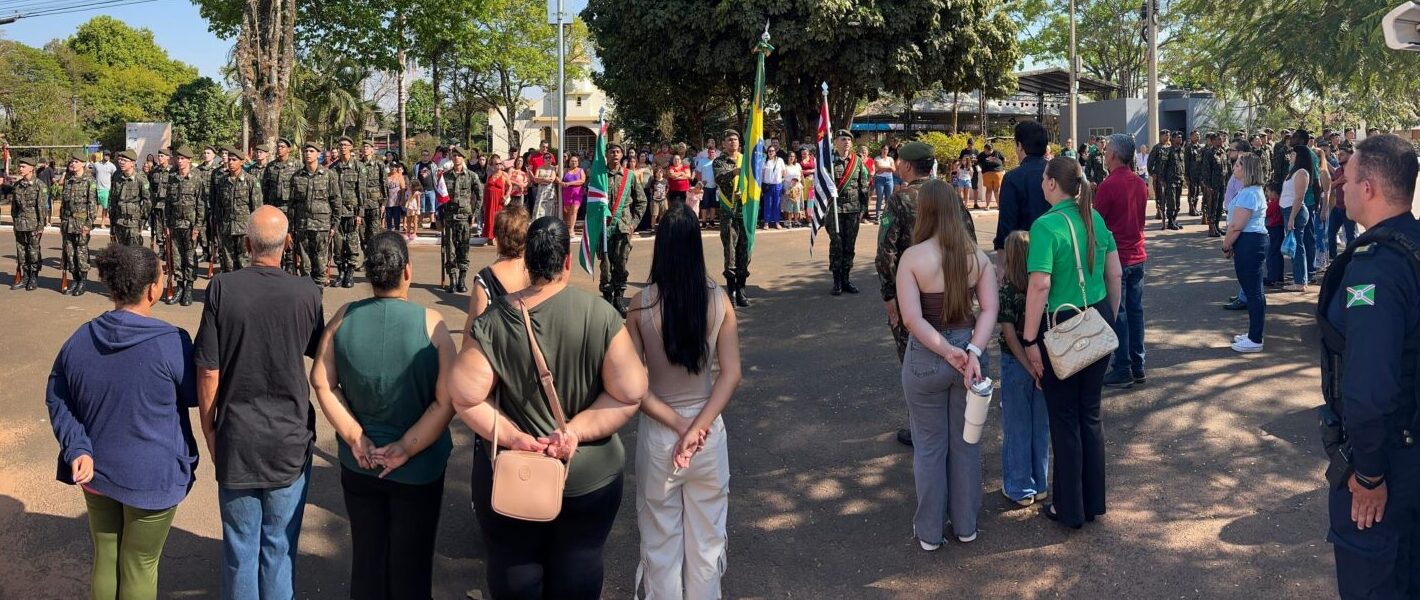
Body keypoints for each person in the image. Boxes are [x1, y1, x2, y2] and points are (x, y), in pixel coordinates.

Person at [448, 216, 648, 599]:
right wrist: (575, 431)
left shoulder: (493, 321)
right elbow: (630, 392)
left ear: (527, 263)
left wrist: (514, 437)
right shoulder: (601, 315)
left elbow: (464, 396)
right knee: (580, 570)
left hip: (514, 474)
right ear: (567, 262)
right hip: (588, 477)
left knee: (514, 572)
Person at [46, 243, 199, 600]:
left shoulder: (80, 339)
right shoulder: (172, 342)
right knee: (140, 563)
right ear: (152, 290)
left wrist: (77, 447)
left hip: (95, 470)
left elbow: (57, 397)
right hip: (153, 478)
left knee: (106, 556)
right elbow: (194, 395)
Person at [309, 231, 456, 600]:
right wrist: (406, 447)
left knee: (367, 559)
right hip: (419, 469)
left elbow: (321, 381)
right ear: (407, 271)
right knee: (412, 567)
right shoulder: (433, 324)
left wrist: (354, 435)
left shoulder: (343, 318)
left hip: (361, 464)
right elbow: (446, 401)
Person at [195, 206, 326, 600]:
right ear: (288, 244)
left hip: (237, 435)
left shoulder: (222, 288)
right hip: (289, 438)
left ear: (246, 244)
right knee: (279, 548)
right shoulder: (307, 292)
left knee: (240, 549)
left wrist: (209, 430)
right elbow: (319, 354)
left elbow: (209, 370)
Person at [1316, 133, 1420, 599]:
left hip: (1391, 461)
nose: (1339, 182)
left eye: (1348, 175)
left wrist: (1370, 474)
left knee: (1375, 580)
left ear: (1370, 188)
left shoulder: (1377, 267)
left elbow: (1369, 385)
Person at [626, 203, 741, 598]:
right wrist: (697, 428)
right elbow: (731, 374)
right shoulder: (719, 300)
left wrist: (679, 426)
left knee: (660, 544)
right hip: (707, 434)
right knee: (707, 545)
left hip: (661, 434)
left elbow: (633, 386)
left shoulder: (640, 304)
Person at [894, 179, 998, 549]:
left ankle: (929, 533)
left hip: (927, 358)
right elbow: (989, 309)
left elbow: (911, 319)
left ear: (925, 212)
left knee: (929, 447)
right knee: (966, 444)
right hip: (970, 359)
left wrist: (945, 351)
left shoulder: (912, 258)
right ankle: (966, 525)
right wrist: (971, 351)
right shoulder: (976, 256)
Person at [1020, 156, 1123, 530]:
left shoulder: (1045, 226)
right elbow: (1115, 273)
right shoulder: (1093, 218)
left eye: (1044, 178)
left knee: (1064, 419)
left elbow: (1040, 285)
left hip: (1062, 323)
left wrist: (1029, 339)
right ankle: (1092, 502)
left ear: (1051, 183)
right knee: (1089, 414)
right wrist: (1109, 317)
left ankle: (1069, 508)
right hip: (1096, 316)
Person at [997, 230, 1049, 506]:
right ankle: (1040, 482)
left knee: (1016, 425)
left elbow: (1009, 335)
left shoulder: (1007, 292)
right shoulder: (1042, 289)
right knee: (1040, 425)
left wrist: (1026, 366)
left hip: (1015, 362)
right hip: (1042, 361)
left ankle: (1019, 486)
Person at [1093, 133, 1149, 390]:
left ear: (1114, 154)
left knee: (1120, 313)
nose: (1105, 156)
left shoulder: (1109, 185)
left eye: (1106, 152)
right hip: (1137, 254)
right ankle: (1138, 364)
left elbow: (1097, 223)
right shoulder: (1139, 183)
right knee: (1135, 312)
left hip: (1117, 258)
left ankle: (1123, 367)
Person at [1222, 154, 1270, 353]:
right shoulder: (1248, 190)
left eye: (1238, 164)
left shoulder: (1250, 193)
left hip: (1250, 242)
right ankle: (1254, 333)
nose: (1235, 167)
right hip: (1249, 241)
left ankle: (1255, 338)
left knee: (1253, 291)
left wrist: (1226, 245)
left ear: (1247, 169)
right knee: (1253, 290)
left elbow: (1236, 225)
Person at [465, 205, 532, 337]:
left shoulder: (486, 279)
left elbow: (473, 333)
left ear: (497, 238)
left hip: (497, 347)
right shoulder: (538, 273)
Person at [601, 144, 649, 314]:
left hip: (623, 227)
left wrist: (633, 224)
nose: (615, 154)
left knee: (621, 264)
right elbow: (591, 202)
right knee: (605, 266)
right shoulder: (600, 177)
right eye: (611, 152)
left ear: (622, 155)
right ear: (606, 155)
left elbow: (642, 201)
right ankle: (607, 298)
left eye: (618, 152)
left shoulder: (629, 176)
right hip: (604, 228)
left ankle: (619, 298)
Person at [994, 121, 1052, 252]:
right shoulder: (1058, 172)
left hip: (1024, 251)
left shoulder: (1012, 178)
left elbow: (1006, 223)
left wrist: (1002, 251)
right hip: (1059, 249)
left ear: (1020, 146)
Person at [826, 129, 870, 296]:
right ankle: (837, 281)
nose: (846, 142)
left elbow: (863, 186)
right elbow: (821, 186)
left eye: (849, 140)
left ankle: (846, 279)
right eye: (843, 139)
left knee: (849, 246)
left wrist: (863, 209)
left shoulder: (857, 162)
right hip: (835, 210)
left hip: (853, 210)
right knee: (836, 245)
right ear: (836, 142)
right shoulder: (829, 161)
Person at [289, 141, 338, 288]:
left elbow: (336, 201)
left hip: (321, 226)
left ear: (318, 154)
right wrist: (290, 228)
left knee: (320, 264)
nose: (308, 154)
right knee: (305, 266)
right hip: (302, 226)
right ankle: (306, 295)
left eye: (311, 151)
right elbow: (292, 204)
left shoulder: (329, 175)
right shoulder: (297, 177)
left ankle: (318, 294)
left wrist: (334, 225)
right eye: (306, 151)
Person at [212, 146, 263, 273]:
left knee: (244, 263)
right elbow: (218, 206)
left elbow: (257, 209)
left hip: (244, 230)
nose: (230, 162)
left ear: (241, 162)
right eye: (229, 159)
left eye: (234, 160)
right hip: (227, 229)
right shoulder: (223, 181)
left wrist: (254, 231)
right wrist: (219, 227)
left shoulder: (251, 181)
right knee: (228, 264)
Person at [441, 146, 483, 293]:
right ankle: (452, 280)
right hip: (449, 217)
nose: (456, 158)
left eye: (459, 156)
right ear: (451, 157)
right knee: (450, 249)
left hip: (464, 217)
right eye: (454, 155)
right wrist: (440, 216)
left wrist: (475, 214)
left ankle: (461, 280)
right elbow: (440, 197)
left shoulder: (472, 176)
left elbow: (480, 196)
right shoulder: (445, 176)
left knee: (464, 250)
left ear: (463, 158)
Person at [6, 156, 49, 291]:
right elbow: (14, 208)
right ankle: (25, 277)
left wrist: (40, 226)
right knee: (21, 251)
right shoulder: (17, 185)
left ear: (31, 168)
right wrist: (15, 223)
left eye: (23, 166)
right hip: (20, 224)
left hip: (33, 225)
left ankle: (33, 277)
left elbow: (42, 208)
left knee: (33, 251)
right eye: (20, 166)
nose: (20, 168)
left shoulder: (39, 185)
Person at [60, 152, 98, 296]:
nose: (73, 164)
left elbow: (92, 203)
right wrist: (62, 221)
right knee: (70, 253)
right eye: (72, 161)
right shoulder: (68, 179)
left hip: (81, 223)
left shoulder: (89, 180)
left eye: (76, 162)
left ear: (83, 163)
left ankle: (82, 281)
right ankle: (75, 279)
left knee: (81, 252)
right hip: (67, 222)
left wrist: (89, 223)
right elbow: (64, 203)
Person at [1282, 144, 1318, 292]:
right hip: (1289, 211)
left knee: (1297, 247)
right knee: (1295, 246)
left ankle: (1300, 282)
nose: (1290, 156)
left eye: (1293, 154)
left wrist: (1291, 218)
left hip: (1295, 212)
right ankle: (1299, 279)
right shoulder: (1294, 171)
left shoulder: (1302, 173)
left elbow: (1299, 198)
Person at [330, 137, 365, 288]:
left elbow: (361, 192)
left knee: (351, 243)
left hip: (352, 211)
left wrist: (360, 213)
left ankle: (350, 273)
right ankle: (341, 273)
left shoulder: (358, 167)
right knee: (338, 245)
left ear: (351, 147)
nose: (342, 147)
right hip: (337, 213)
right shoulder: (333, 168)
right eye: (340, 145)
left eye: (345, 145)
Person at [263, 139, 299, 272]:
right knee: (274, 238)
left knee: (289, 237)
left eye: (282, 147)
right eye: (278, 146)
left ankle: (290, 265)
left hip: (290, 207)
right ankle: (277, 264)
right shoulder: (270, 166)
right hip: (274, 208)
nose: (279, 149)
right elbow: (265, 188)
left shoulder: (297, 165)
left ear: (289, 149)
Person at [108, 150, 150, 247]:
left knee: (134, 251)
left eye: (124, 160)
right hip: (119, 221)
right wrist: (112, 221)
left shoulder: (140, 178)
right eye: (120, 160)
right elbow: (113, 200)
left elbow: (148, 201)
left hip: (134, 223)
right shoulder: (117, 177)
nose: (121, 162)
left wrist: (142, 220)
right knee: (121, 251)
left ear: (132, 163)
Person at [1148, 130, 1186, 230]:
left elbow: (1182, 165)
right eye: (1178, 137)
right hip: (1170, 180)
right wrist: (1156, 176)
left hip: (1179, 179)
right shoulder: (1166, 150)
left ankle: (1173, 220)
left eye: (1181, 137)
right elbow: (1161, 166)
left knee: (1177, 203)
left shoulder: (1181, 150)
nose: (1180, 139)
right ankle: (1169, 222)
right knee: (1171, 202)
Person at [1327, 147, 1357, 260]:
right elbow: (1329, 187)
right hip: (1337, 207)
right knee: (1330, 232)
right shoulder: (1338, 171)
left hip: (1349, 208)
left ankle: (1350, 260)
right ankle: (1333, 258)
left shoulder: (1356, 170)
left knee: (1350, 236)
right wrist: (1338, 181)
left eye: (1342, 154)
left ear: (1350, 155)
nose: (1339, 156)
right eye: (1338, 154)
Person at [1203, 133, 1230, 237]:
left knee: (1219, 207)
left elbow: (1227, 168)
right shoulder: (1209, 153)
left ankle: (1217, 226)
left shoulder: (1223, 152)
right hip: (1213, 185)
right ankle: (1212, 228)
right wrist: (1208, 186)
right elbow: (1206, 170)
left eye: (1221, 139)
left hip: (1222, 184)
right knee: (1212, 207)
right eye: (1218, 139)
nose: (1221, 141)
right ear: (1213, 141)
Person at [760, 145, 786, 229]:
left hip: (778, 185)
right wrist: (761, 185)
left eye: (772, 151)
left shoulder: (780, 160)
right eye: (769, 151)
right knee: (767, 204)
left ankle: (777, 222)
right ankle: (766, 222)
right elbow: (762, 174)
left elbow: (784, 172)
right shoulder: (764, 160)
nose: (771, 152)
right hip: (767, 186)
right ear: (767, 152)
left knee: (777, 204)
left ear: (775, 152)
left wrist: (782, 180)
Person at [484, 155, 509, 242]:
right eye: (496, 164)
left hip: (499, 200)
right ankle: (490, 237)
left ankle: (497, 237)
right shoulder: (490, 175)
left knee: (498, 218)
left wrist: (506, 196)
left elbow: (510, 186)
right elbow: (486, 187)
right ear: (492, 165)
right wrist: (484, 200)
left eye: (500, 163)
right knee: (489, 218)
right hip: (489, 199)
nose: (498, 165)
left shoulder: (504, 174)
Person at [696, 142, 719, 228]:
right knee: (704, 205)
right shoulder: (702, 161)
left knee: (713, 205)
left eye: (712, 152)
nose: (711, 153)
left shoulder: (718, 161)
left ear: (715, 152)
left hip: (715, 187)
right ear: (707, 152)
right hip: (704, 187)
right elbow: (698, 173)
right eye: (709, 152)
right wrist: (700, 184)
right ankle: (704, 222)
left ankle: (712, 221)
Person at [560, 154, 587, 230]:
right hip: (566, 193)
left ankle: (571, 229)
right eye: (572, 161)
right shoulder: (565, 170)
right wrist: (561, 182)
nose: (574, 162)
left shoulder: (581, 170)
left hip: (577, 193)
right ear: (569, 162)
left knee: (574, 210)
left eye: (575, 161)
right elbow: (558, 178)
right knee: (568, 211)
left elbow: (582, 181)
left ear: (578, 162)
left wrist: (569, 183)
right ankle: (568, 227)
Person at [91, 151, 116, 228]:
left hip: (106, 189)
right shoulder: (96, 164)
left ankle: (103, 223)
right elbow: (93, 174)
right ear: (103, 155)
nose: (106, 156)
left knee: (105, 207)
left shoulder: (112, 166)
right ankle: (92, 222)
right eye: (105, 155)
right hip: (96, 188)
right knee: (94, 207)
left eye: (108, 155)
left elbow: (115, 176)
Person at [978, 142, 1006, 210]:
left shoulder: (997, 152)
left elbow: (1004, 159)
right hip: (987, 173)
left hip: (997, 173)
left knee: (997, 190)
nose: (985, 152)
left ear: (990, 149)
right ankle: (987, 206)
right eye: (985, 150)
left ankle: (999, 206)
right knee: (988, 190)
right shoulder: (982, 154)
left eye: (986, 150)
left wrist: (1001, 167)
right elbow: (978, 161)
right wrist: (983, 167)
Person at [872, 144, 896, 220]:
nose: (885, 151)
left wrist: (882, 170)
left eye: (886, 149)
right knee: (879, 198)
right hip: (880, 179)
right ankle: (878, 216)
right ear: (881, 150)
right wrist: (889, 167)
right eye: (884, 149)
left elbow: (893, 169)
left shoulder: (890, 159)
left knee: (888, 199)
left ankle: (886, 216)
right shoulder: (877, 158)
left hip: (889, 179)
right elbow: (878, 167)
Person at [384, 162, 409, 232]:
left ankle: (397, 229)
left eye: (395, 167)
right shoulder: (386, 176)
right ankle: (389, 229)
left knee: (396, 216)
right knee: (388, 215)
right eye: (392, 166)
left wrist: (402, 199)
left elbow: (403, 189)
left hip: (397, 200)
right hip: (388, 200)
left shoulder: (399, 176)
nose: (393, 168)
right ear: (389, 167)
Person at [782, 150, 803, 228]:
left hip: (798, 187)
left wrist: (803, 185)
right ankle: (787, 221)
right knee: (788, 205)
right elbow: (782, 177)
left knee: (797, 204)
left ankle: (796, 220)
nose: (792, 158)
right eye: (790, 156)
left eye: (793, 156)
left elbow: (802, 175)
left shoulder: (798, 165)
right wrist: (784, 189)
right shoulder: (784, 166)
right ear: (787, 157)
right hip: (788, 187)